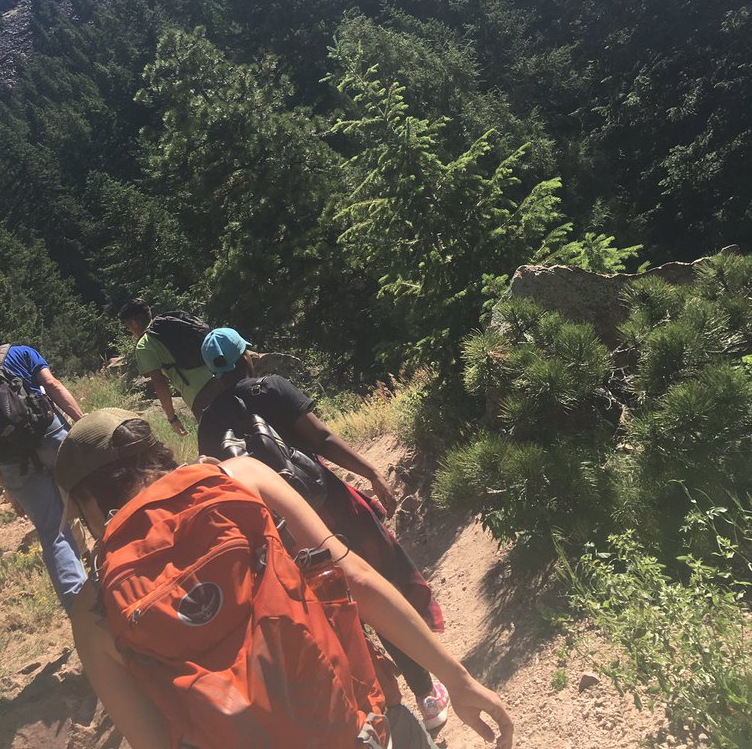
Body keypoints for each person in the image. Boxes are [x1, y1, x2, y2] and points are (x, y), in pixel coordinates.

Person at [56, 409, 514, 749]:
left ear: (84, 503)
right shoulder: (239, 479)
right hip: (363, 725)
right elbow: (355, 577)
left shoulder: (94, 607)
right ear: (156, 453)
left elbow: (156, 743)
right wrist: (457, 680)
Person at [197, 328, 451, 733]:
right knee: (380, 588)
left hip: (282, 533)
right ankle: (427, 694)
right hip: (329, 505)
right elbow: (322, 438)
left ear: (213, 372)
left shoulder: (209, 423)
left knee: (335, 615)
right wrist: (371, 472)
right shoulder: (272, 387)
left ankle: (380, 714)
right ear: (246, 356)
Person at [0, 318, 87, 612]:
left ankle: (82, 610)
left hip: (14, 463)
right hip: (53, 439)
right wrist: (83, 422)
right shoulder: (20, 352)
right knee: (93, 497)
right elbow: (52, 385)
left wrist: (6, 486)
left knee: (52, 532)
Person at [118, 299, 220, 438]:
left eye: (128, 326)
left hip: (200, 393)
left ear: (135, 323)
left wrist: (172, 418)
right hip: (220, 376)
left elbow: (159, 382)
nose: (130, 330)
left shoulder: (144, 344)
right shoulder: (172, 324)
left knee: (217, 440)